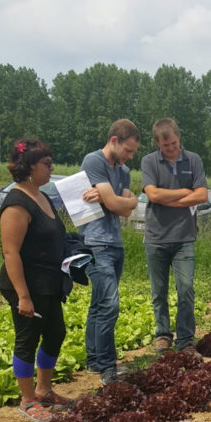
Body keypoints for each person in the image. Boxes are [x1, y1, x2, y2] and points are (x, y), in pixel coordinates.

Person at [0, 139, 72, 422]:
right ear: (29, 167)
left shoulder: (41, 196)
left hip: (48, 282)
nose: (51, 169)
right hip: (25, 284)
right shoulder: (17, 202)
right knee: (28, 338)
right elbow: (10, 252)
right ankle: (27, 400)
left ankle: (44, 390)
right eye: (46, 164)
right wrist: (23, 296)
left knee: (56, 333)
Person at [80, 119, 139, 385]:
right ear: (114, 140)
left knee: (98, 303)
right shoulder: (94, 162)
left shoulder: (123, 171)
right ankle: (107, 367)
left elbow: (126, 210)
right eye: (127, 150)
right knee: (109, 305)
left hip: (115, 242)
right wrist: (117, 200)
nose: (129, 156)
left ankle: (94, 360)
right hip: (94, 241)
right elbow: (117, 202)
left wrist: (125, 200)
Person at [141, 118, 208, 353]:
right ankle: (162, 334)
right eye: (165, 146)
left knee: (186, 288)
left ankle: (186, 338)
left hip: (184, 238)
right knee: (158, 290)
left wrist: (168, 197)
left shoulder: (193, 160)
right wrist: (182, 193)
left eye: (174, 144)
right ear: (158, 143)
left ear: (179, 138)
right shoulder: (149, 161)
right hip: (156, 237)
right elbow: (153, 195)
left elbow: (202, 195)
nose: (170, 149)